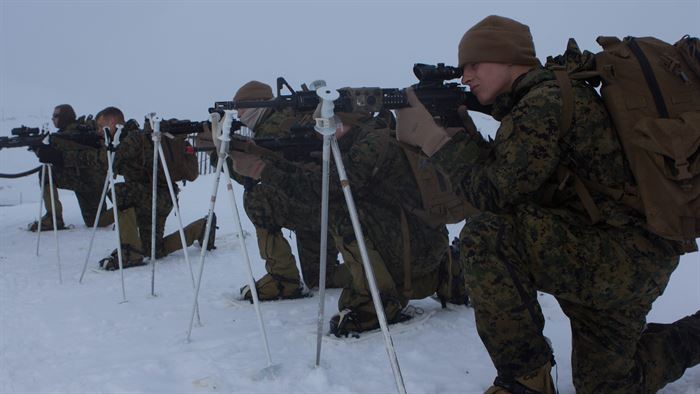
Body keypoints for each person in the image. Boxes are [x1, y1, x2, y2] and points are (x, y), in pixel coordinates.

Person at [394, 14, 700, 394]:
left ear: (508, 59)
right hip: (622, 253)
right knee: (609, 385)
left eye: (475, 64)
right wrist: (461, 129)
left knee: (489, 235)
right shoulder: (547, 96)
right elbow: (516, 176)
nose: (465, 75)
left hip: (616, 258)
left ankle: (526, 379)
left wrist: (436, 142)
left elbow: (494, 193)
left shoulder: (543, 103)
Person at [230, 100, 453, 336]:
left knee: (339, 209)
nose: (321, 133)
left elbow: (327, 189)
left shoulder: (371, 145)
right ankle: (440, 273)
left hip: (414, 246)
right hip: (415, 244)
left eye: (328, 124)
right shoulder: (363, 139)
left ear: (349, 121)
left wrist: (262, 170)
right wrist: (258, 154)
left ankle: (375, 301)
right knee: (319, 273)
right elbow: (316, 179)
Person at [220, 80, 346, 301]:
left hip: (314, 202)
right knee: (321, 277)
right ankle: (373, 273)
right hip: (327, 202)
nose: (238, 114)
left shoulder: (272, 126)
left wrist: (220, 156)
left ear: (257, 104)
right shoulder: (289, 115)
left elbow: (259, 174)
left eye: (240, 107)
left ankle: (283, 278)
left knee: (257, 197)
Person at [94, 107, 214, 270]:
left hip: (157, 197)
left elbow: (108, 163)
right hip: (158, 197)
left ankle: (130, 253)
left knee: (119, 192)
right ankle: (201, 228)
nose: (99, 132)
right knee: (153, 250)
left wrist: (100, 147)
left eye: (101, 127)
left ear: (113, 122)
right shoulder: (137, 138)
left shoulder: (132, 138)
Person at [28, 104, 114, 231]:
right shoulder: (69, 133)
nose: (53, 119)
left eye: (56, 116)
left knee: (46, 173)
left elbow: (65, 155)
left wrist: (45, 151)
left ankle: (54, 219)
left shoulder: (73, 133)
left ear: (64, 118)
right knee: (96, 221)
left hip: (87, 180)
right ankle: (127, 209)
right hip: (87, 180)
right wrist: (40, 150)